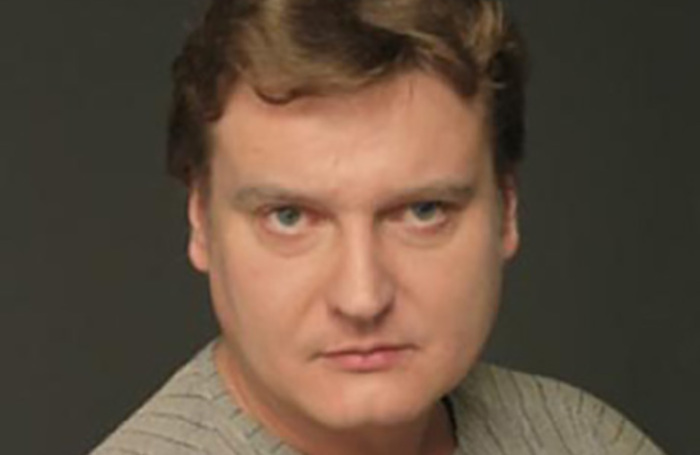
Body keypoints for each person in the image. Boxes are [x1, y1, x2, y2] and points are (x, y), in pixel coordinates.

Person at [90, 0, 666, 454]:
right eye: (290, 217)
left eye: (423, 211)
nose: (362, 298)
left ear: (507, 209)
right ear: (200, 223)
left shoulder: (583, 438)